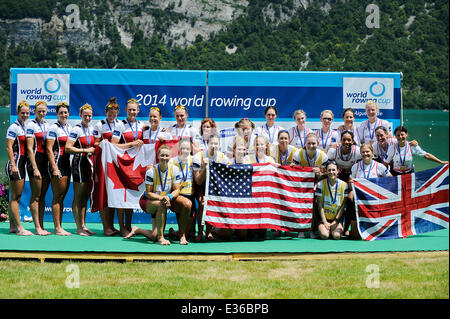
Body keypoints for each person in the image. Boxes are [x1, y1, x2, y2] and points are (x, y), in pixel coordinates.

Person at [124, 145, 184, 245]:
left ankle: (137, 230)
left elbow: (177, 190)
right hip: (147, 201)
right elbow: (148, 193)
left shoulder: (175, 169)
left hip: (163, 201)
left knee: (153, 236)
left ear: (170, 157)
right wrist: (162, 198)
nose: (164, 158)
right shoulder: (151, 171)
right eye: (162, 155)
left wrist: (169, 197)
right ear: (158, 156)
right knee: (161, 205)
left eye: (167, 155)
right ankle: (161, 238)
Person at [111, 98, 145, 237]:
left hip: (135, 165)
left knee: (131, 195)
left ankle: (129, 225)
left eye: (134, 109)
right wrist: (131, 144)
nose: (132, 112)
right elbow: (113, 144)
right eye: (129, 109)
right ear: (125, 110)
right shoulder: (119, 125)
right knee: (120, 196)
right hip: (121, 163)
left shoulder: (142, 125)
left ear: (138, 110)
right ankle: (121, 227)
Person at [348, 143, 392, 239]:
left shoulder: (380, 166)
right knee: (355, 236)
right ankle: (352, 226)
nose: (365, 154)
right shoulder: (355, 167)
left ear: (372, 153)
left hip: (375, 199)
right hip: (360, 199)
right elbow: (350, 182)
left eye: (367, 151)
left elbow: (391, 180)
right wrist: (352, 186)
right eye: (363, 152)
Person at [65, 103, 96, 236]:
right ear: (80, 115)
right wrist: (84, 150)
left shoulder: (92, 129)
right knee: (78, 197)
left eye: (89, 116)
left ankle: (83, 225)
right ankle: (78, 228)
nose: (87, 118)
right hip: (78, 163)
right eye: (85, 116)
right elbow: (67, 148)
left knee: (84, 196)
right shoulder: (76, 129)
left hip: (88, 164)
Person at [93, 97, 122, 235]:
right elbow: (95, 144)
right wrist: (104, 144)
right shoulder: (99, 125)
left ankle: (111, 226)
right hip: (103, 163)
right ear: (106, 112)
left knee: (112, 194)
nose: (112, 115)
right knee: (103, 193)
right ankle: (106, 227)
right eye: (110, 113)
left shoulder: (120, 124)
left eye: (114, 113)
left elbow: (117, 143)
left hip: (115, 163)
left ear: (117, 113)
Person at [192, 133, 228, 241]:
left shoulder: (223, 158)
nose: (214, 146)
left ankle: (209, 232)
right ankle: (200, 232)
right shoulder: (198, 157)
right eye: (211, 143)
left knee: (212, 202)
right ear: (207, 144)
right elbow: (198, 181)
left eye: (216, 143)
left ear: (219, 145)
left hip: (216, 186)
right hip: (201, 186)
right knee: (203, 202)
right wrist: (204, 167)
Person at [6, 100, 33, 236]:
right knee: (16, 197)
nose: (25, 115)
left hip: (20, 164)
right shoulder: (13, 127)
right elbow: (8, 147)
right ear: (18, 113)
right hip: (15, 164)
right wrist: (13, 165)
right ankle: (20, 228)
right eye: (23, 113)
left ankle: (12, 226)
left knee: (15, 197)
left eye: (27, 113)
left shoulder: (24, 126)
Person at [25, 100, 51, 235]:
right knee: (36, 196)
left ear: (46, 112)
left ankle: (41, 225)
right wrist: (34, 168)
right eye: (39, 111)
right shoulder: (31, 125)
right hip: (35, 162)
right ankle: (36, 227)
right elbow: (29, 149)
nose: (41, 113)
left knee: (42, 196)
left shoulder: (47, 124)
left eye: (43, 111)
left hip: (45, 163)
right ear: (34, 112)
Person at [46, 102, 72, 236]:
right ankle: (57, 228)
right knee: (57, 197)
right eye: (61, 112)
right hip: (57, 164)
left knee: (62, 197)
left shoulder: (69, 127)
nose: (63, 115)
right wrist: (54, 168)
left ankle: (60, 226)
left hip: (67, 163)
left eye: (65, 112)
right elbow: (49, 149)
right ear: (57, 114)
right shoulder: (53, 128)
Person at [168, 138, 196, 243]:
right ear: (179, 149)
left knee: (190, 233)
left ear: (191, 149)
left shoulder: (194, 160)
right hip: (177, 196)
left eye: (187, 148)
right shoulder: (172, 161)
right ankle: (181, 235)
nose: (185, 151)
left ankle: (174, 233)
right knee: (185, 206)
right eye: (183, 148)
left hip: (191, 195)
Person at [315, 161, 348, 240]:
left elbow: (343, 205)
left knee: (336, 236)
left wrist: (336, 221)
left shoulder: (344, 185)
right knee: (324, 235)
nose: (331, 172)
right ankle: (323, 228)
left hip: (336, 219)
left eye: (333, 170)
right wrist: (325, 222)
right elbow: (319, 205)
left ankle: (335, 229)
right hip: (324, 218)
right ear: (326, 171)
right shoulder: (320, 184)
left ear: (338, 171)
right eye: (329, 170)